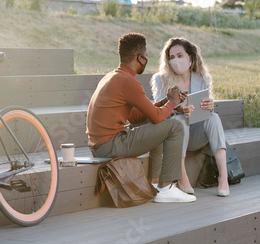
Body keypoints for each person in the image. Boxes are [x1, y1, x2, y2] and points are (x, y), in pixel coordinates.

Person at [86, 32, 196, 203]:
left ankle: (155, 183)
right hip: (110, 145)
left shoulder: (115, 77)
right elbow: (157, 117)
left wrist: (167, 100)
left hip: (101, 145)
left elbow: (136, 117)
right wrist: (173, 102)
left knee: (162, 124)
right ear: (139, 58)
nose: (146, 59)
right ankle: (166, 189)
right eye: (145, 55)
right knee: (174, 127)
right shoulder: (128, 82)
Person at [151, 37, 229, 197]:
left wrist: (210, 106)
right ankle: (182, 177)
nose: (175, 60)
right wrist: (178, 108)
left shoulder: (202, 79)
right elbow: (158, 111)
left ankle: (223, 177)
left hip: (196, 133)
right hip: (174, 136)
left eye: (180, 55)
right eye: (171, 57)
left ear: (190, 58)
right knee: (180, 121)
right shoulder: (160, 79)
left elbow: (207, 111)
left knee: (214, 118)